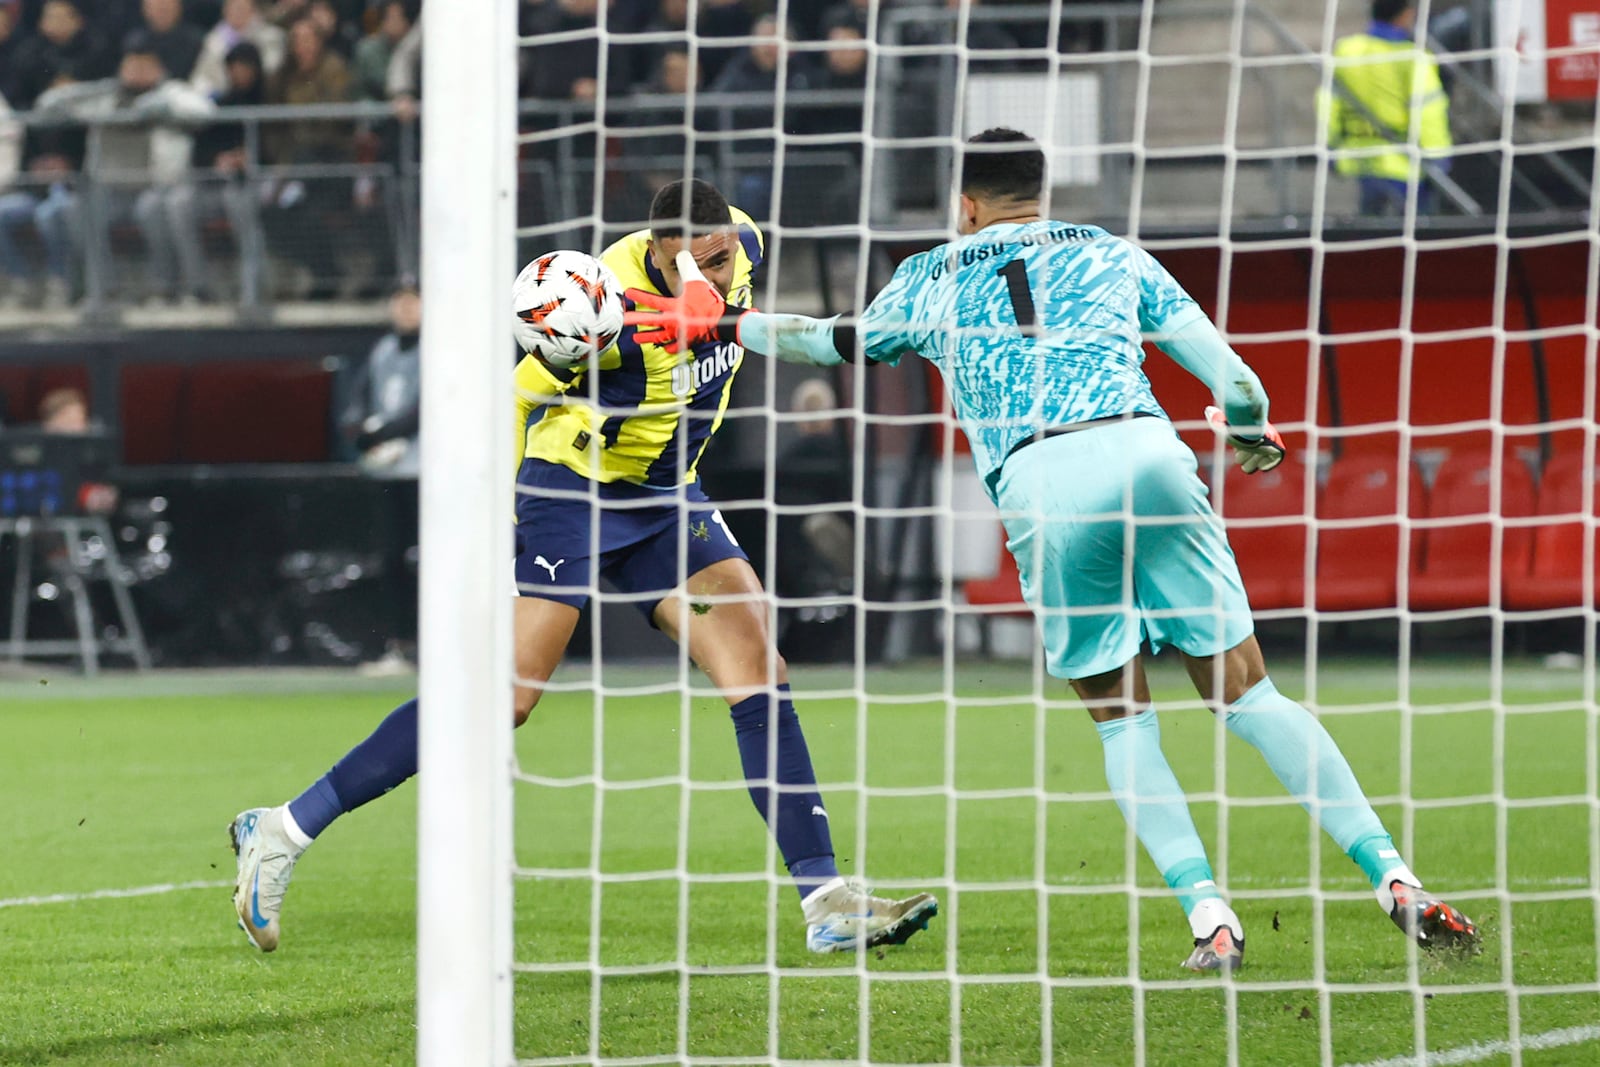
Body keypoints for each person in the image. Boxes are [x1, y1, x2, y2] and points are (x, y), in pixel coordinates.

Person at [624, 129, 1482, 971]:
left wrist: (729, 326)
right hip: (1150, 453)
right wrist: (1253, 435)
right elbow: (1241, 385)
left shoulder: (929, 275)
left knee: (1124, 720)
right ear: (1044, 194)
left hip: (1044, 478)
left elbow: (828, 340)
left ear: (965, 206)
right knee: (1249, 694)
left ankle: (1212, 918)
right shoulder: (1115, 252)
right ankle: (1394, 876)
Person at [227, 178, 939, 956]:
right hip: (570, 491)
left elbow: (766, 330)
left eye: (725, 251)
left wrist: (843, 333)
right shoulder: (602, 310)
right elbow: (514, 398)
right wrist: (498, 519)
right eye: (700, 258)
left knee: (756, 665)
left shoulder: (743, 241)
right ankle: (284, 829)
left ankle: (825, 898)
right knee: (505, 700)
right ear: (662, 252)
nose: (721, 264)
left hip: (666, 497)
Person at [1323, 0, 1452, 218]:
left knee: (1369, 238)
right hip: (1404, 166)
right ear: (1406, 14)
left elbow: (1328, 103)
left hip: (1358, 160)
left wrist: (1332, 146)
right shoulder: (1412, 59)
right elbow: (1428, 112)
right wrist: (1437, 158)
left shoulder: (1347, 50)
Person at [336, 281, 420, 474]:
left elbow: (422, 411)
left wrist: (382, 434)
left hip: (418, 461)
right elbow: (359, 398)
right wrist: (359, 430)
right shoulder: (384, 349)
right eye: (400, 301)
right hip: (382, 459)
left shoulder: (433, 349)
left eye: (413, 301)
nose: (406, 309)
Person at [189, 0, 287, 99]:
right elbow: (200, 76)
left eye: (241, 8)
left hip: (259, 98)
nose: (236, 12)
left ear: (253, 11)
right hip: (221, 100)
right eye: (232, 8)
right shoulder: (213, 40)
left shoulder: (271, 37)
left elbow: (271, 68)